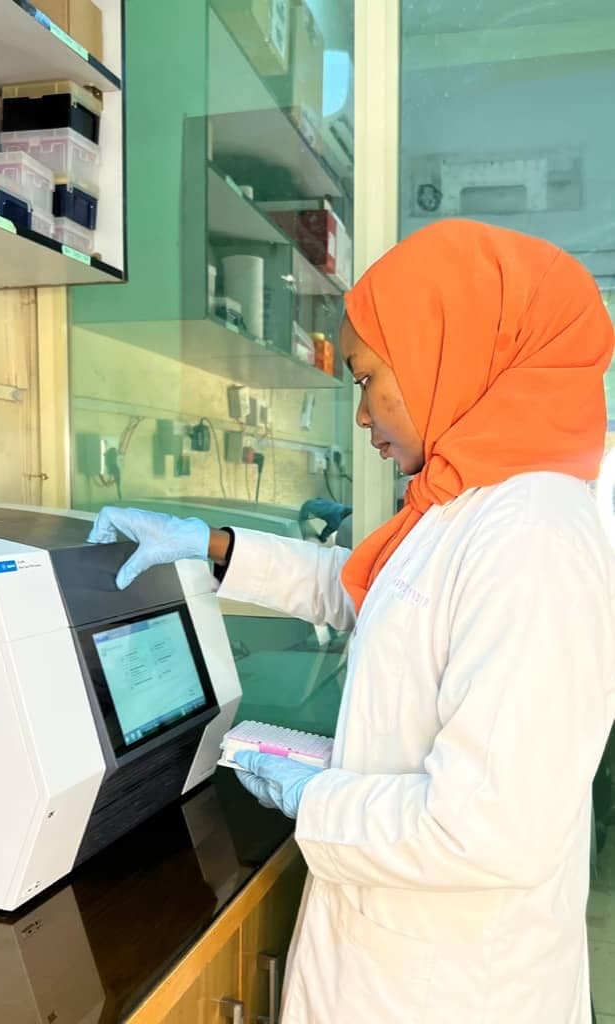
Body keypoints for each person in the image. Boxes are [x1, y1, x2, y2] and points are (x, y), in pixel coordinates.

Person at [88, 220, 615, 1023]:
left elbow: (491, 832)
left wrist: (316, 797)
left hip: (453, 986)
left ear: (451, 351)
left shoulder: (532, 535)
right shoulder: (467, 503)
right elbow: (374, 590)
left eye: (368, 378)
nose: (363, 413)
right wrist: (212, 546)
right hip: (395, 957)